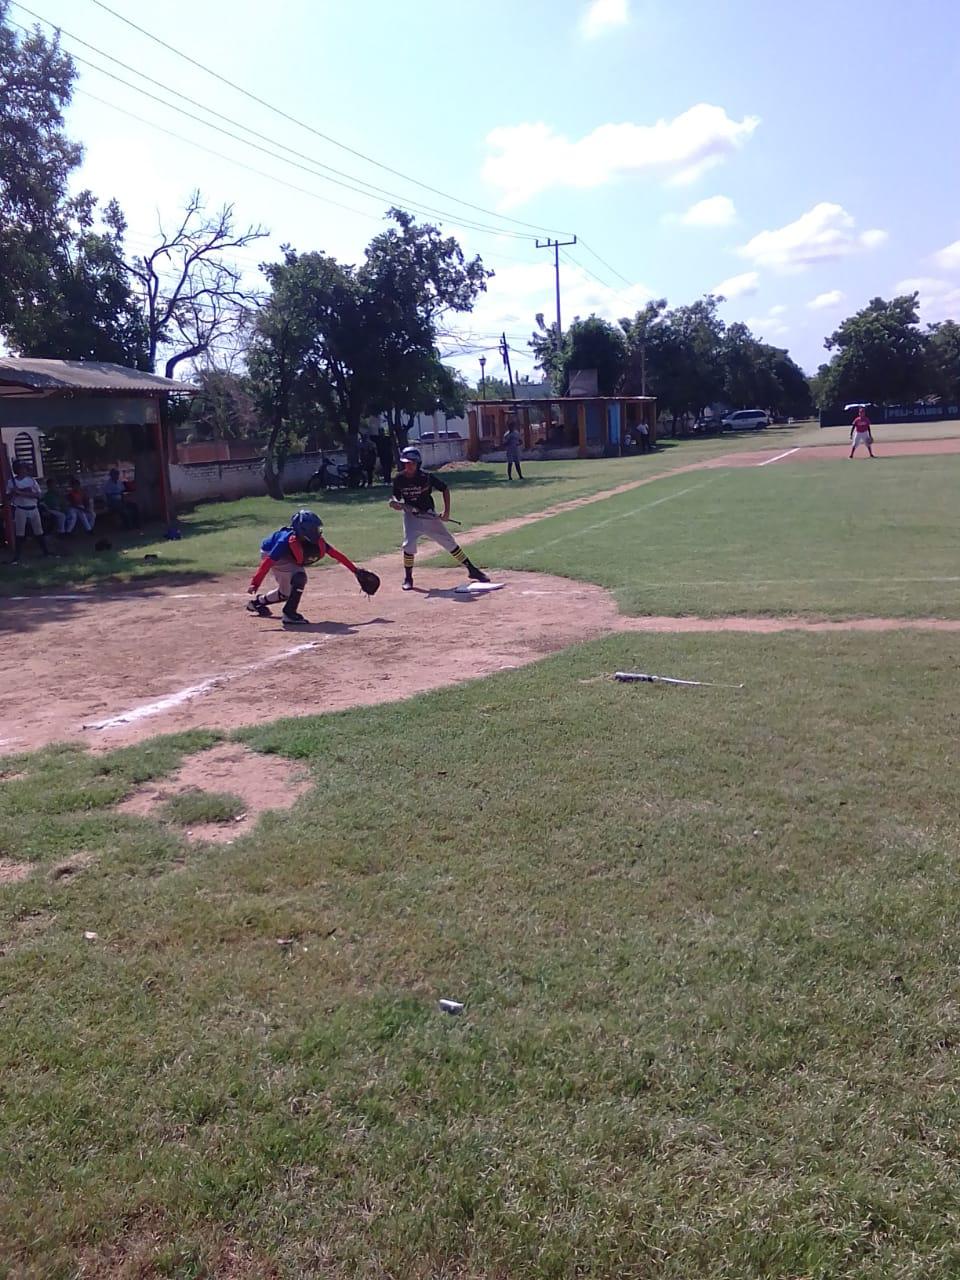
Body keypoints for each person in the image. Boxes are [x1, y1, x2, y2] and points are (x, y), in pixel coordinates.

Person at [390, 446, 489, 591]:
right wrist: (395, 503)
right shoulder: (399, 478)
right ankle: (408, 578)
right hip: (411, 516)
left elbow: (444, 488)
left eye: (411, 463)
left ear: (418, 463)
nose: (408, 466)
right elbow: (396, 496)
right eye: (405, 463)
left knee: (448, 541)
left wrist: (446, 512)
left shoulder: (426, 477)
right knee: (409, 544)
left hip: (428, 515)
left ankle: (472, 570)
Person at [247, 508, 363, 627]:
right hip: (270, 551)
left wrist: (355, 570)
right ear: (304, 530)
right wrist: (255, 583)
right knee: (299, 577)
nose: (317, 531)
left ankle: (256, 603)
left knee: (285, 593)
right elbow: (268, 562)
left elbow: (335, 554)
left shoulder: (313, 540)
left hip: (287, 555)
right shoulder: (284, 541)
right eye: (314, 529)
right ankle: (289, 614)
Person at [5, 459, 54, 563]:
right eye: (22, 468)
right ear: (17, 470)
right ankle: (17, 557)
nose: (24, 470)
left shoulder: (31, 481)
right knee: (19, 533)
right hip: (20, 509)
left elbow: (37, 495)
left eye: (25, 468)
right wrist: (13, 493)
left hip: (33, 508)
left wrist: (21, 492)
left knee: (39, 531)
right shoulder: (11, 482)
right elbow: (7, 498)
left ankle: (46, 552)